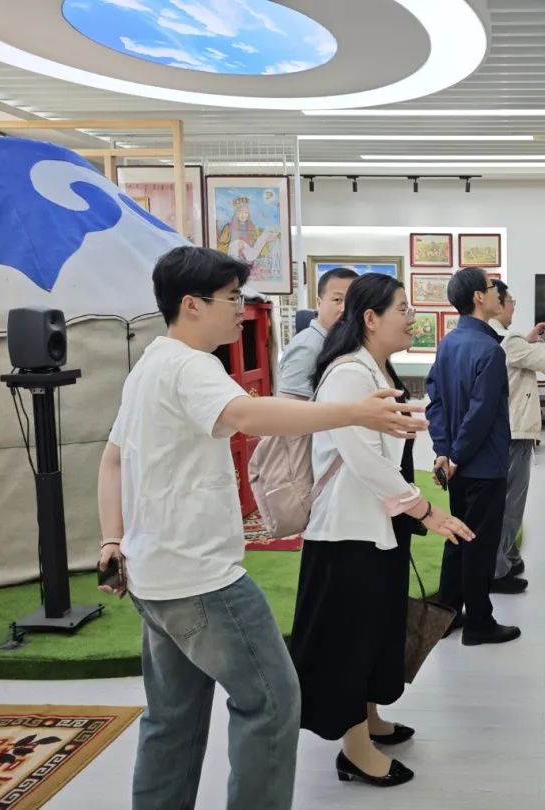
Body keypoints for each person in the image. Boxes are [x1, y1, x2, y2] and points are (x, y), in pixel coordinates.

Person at [96, 246, 426, 810]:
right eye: (232, 299)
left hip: (153, 576)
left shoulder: (150, 363)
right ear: (192, 305)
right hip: (201, 578)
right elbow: (248, 416)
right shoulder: (190, 366)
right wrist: (354, 412)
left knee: (171, 719)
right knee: (273, 702)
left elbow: (112, 458)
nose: (241, 310)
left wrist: (111, 540)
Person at [290, 274, 474, 789]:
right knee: (351, 640)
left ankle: (369, 719)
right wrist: (426, 511)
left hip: (377, 525)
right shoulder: (349, 374)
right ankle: (355, 750)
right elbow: (365, 462)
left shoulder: (374, 368)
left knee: (375, 629)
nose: (411, 317)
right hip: (347, 532)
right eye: (402, 308)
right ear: (370, 318)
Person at [426, 267, 520, 646]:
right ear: (479, 297)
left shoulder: (448, 344)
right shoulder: (490, 350)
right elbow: (481, 414)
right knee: (479, 545)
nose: (498, 291)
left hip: (458, 465)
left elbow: (435, 402)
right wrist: (457, 455)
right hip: (483, 465)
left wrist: (444, 452)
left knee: (456, 537)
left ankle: (447, 613)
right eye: (491, 286)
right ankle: (480, 623)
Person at [488, 280, 545, 593]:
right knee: (512, 501)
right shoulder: (509, 340)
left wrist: (530, 339)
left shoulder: (498, 337)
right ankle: (498, 569)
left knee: (504, 499)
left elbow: (521, 357)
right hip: (515, 430)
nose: (513, 307)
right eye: (511, 301)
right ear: (497, 303)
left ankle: (508, 556)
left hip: (501, 429)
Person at [277, 267, 358, 399]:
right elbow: (288, 406)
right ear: (319, 303)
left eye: (352, 302)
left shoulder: (336, 341)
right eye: (337, 300)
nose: (345, 308)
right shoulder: (307, 347)